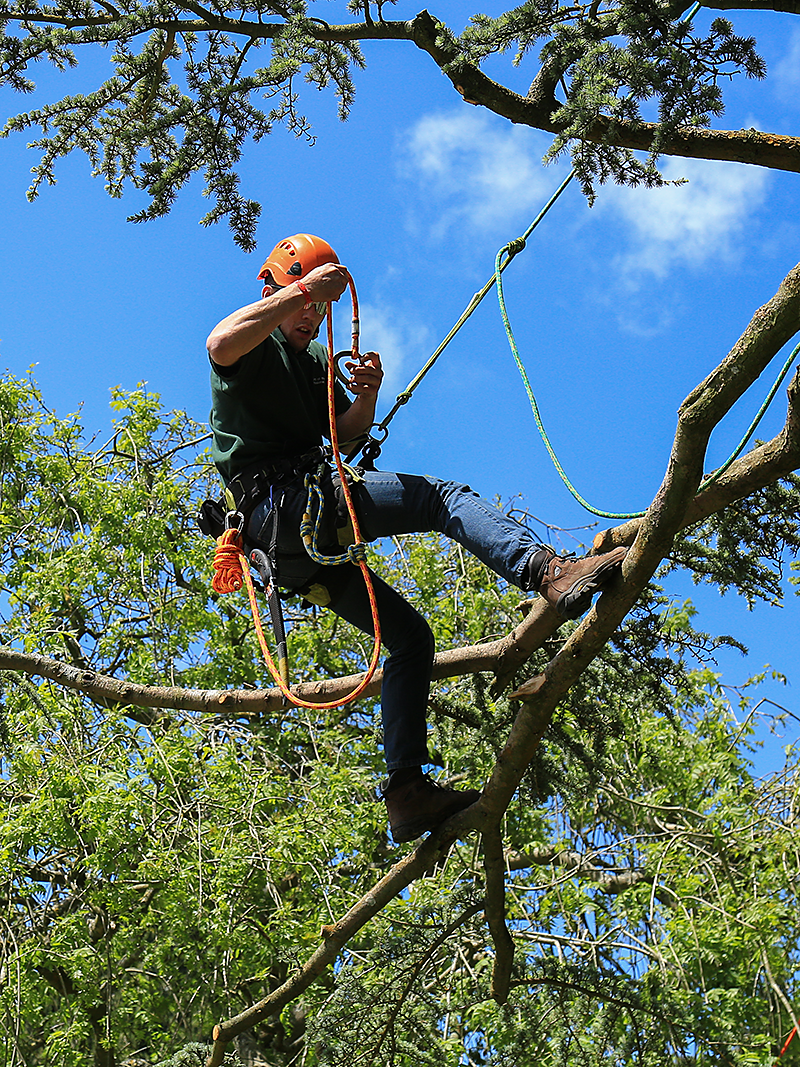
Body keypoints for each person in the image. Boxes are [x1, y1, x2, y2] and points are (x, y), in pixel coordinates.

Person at [206, 234, 627, 844]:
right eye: (304, 303)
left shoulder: (313, 363)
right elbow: (220, 343)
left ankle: (403, 791)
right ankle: (546, 572)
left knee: (409, 637)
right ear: (274, 284)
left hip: (295, 545)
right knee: (440, 498)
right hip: (287, 509)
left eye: (320, 309)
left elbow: (345, 436)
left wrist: (369, 393)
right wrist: (301, 292)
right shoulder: (255, 340)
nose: (311, 317)